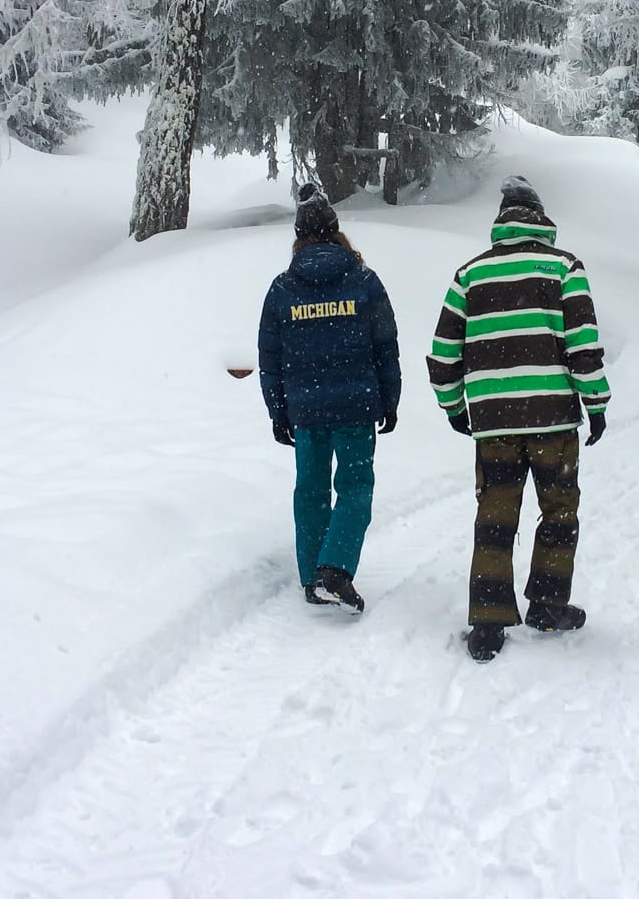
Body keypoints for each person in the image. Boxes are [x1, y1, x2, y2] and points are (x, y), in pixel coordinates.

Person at [428, 176, 611, 662]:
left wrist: (454, 407)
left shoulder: (469, 276)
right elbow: (584, 347)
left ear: (502, 221)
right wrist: (596, 405)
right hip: (553, 420)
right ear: (540, 218)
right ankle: (548, 607)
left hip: (495, 424)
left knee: (495, 517)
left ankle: (487, 623)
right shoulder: (565, 268)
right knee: (558, 511)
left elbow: (442, 354)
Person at [258, 184, 400, 611]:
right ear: (337, 232)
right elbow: (385, 346)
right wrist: (389, 400)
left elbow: (271, 358)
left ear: (298, 237)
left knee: (311, 491)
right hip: (356, 408)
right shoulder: (364, 281)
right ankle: (335, 569)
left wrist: (279, 412)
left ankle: (312, 575)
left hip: (306, 410)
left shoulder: (283, 289)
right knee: (355, 487)